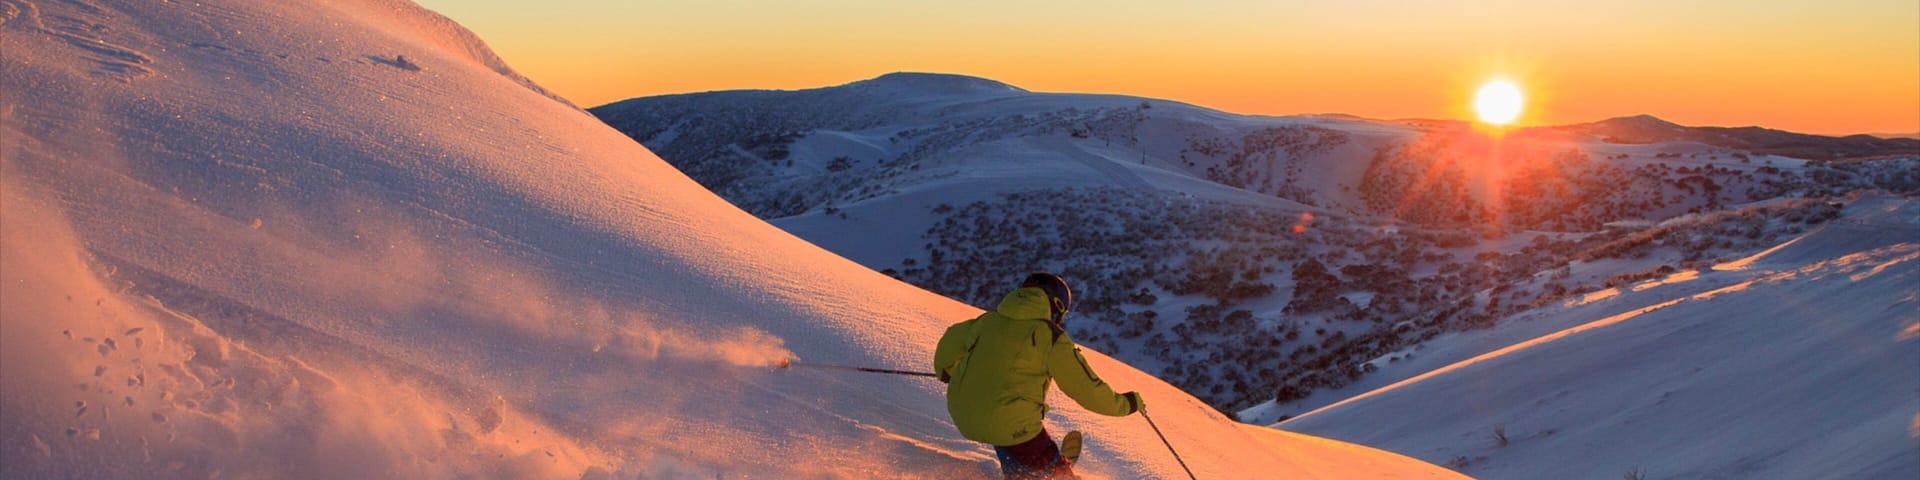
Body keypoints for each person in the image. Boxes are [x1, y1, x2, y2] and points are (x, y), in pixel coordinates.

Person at [933, 273, 1145, 479]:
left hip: (963, 414)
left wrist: (949, 373)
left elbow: (947, 347)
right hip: (1010, 423)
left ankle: (1022, 472)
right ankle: (1053, 469)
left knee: (1007, 431)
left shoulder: (986, 321)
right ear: (1057, 306)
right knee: (1018, 434)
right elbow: (1086, 389)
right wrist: (1127, 404)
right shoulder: (1050, 336)